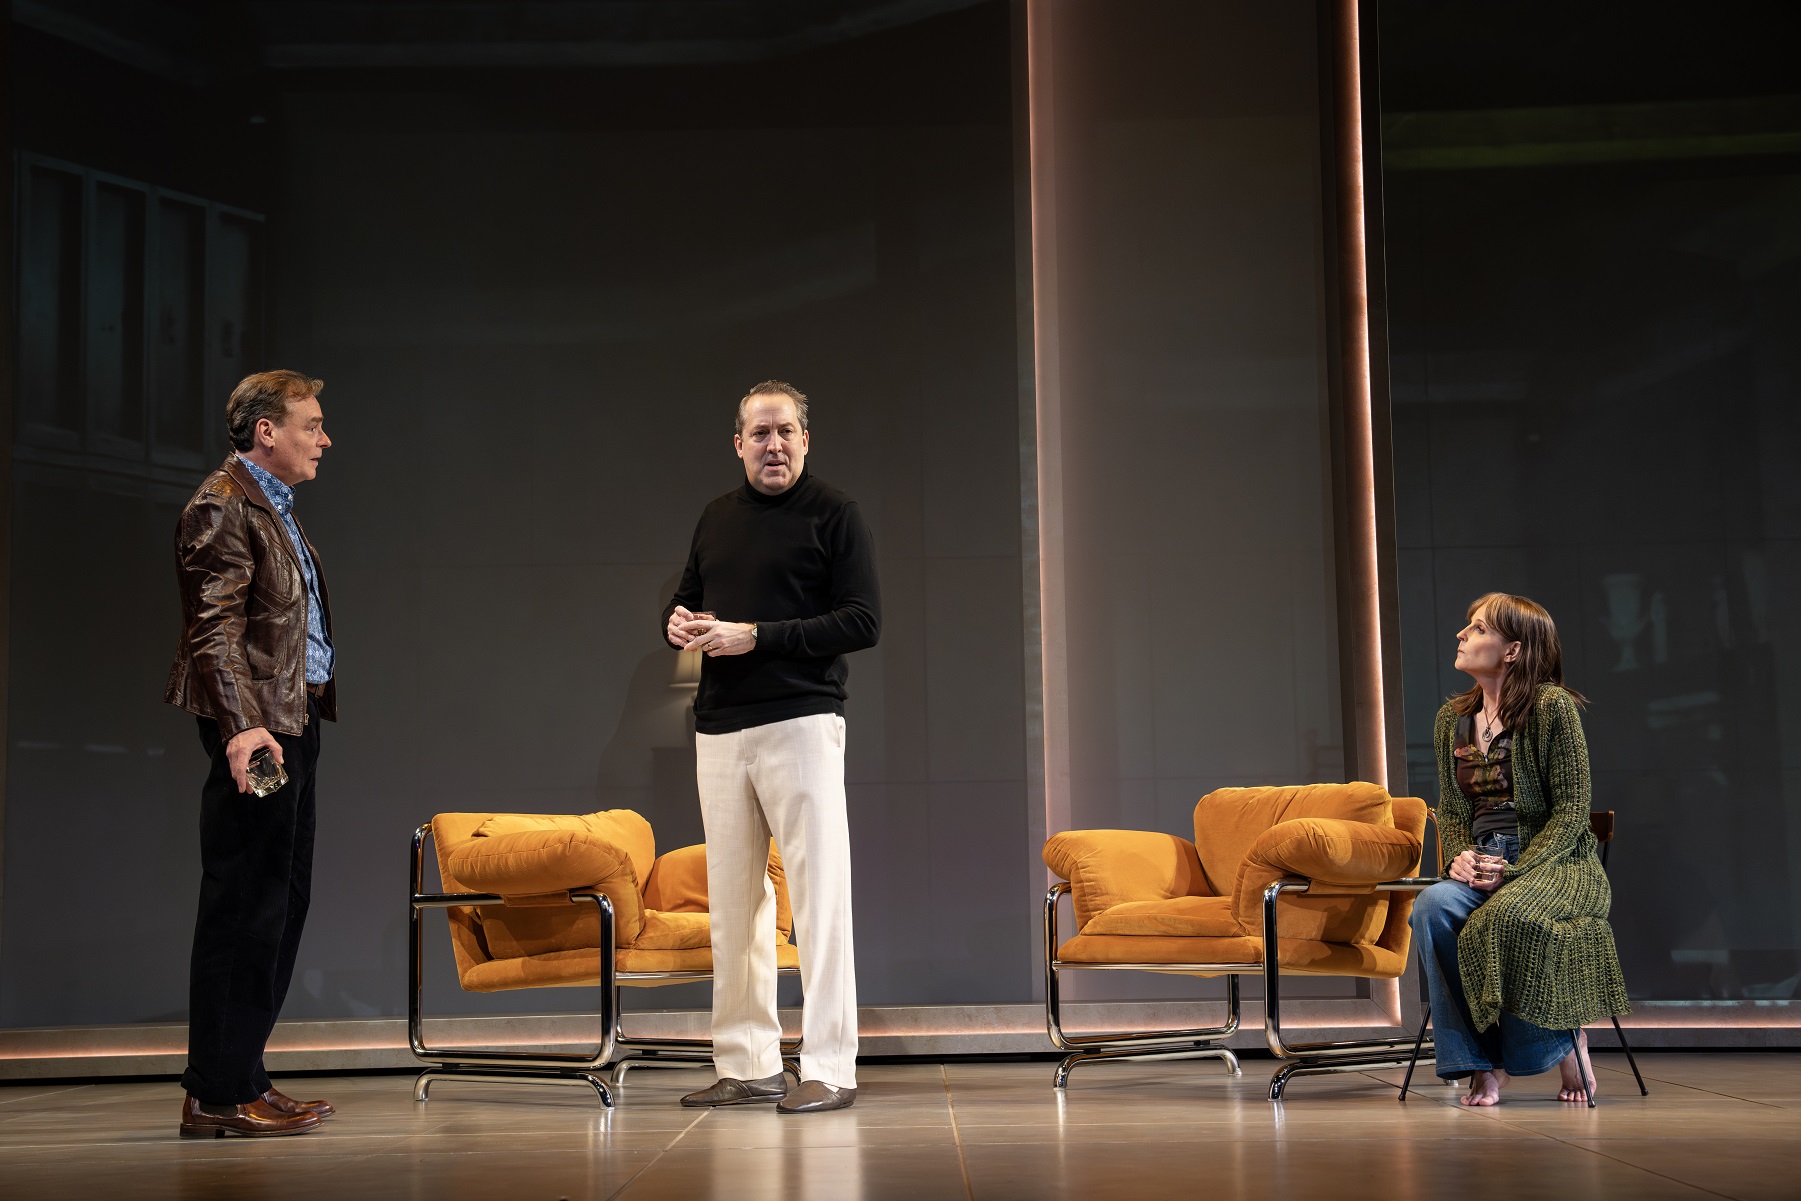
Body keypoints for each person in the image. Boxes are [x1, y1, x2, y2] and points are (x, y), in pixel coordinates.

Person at [662, 380, 879, 1115]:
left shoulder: (835, 513)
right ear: (738, 443)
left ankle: (828, 1065)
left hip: (800, 721)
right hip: (720, 726)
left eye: (785, 430)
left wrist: (756, 635)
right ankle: (749, 1063)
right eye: (759, 433)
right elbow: (686, 596)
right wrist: (679, 622)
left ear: (805, 438)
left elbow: (861, 620)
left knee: (819, 899)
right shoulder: (715, 516)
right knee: (734, 906)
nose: (773, 444)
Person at [165, 371, 338, 1137]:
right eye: (311, 424)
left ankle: (244, 1075)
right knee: (245, 901)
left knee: (281, 898)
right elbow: (212, 629)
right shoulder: (222, 503)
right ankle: (215, 1091)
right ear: (266, 430)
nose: (323, 438)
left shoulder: (273, 506)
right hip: (259, 729)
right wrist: (241, 727)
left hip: (290, 721)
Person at [1410, 592, 1630, 1106]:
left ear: (1512, 650)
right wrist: (1458, 859)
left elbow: (1573, 811)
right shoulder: (1452, 720)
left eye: (1479, 628)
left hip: (1557, 863)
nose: (1463, 635)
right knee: (1432, 907)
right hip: (1483, 859)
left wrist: (1516, 870)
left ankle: (1558, 1044)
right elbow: (1454, 811)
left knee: (1509, 917)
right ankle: (1480, 1064)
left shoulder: (1553, 708)